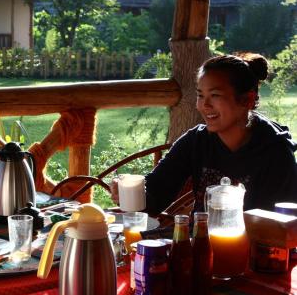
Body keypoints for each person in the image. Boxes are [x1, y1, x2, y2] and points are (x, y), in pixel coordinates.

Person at [113, 53, 297, 215]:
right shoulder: (196, 141)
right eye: (201, 95)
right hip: (198, 244)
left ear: (247, 99)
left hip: (254, 250)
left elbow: (280, 226)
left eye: (215, 95)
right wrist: (130, 194)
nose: (204, 105)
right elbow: (156, 196)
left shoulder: (275, 152)